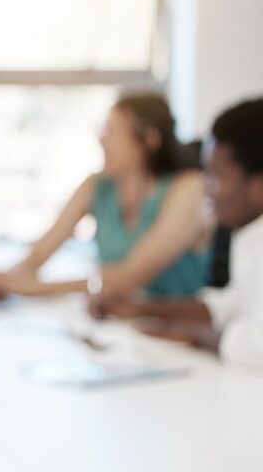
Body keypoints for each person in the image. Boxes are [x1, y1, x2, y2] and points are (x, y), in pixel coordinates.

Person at [0, 92, 209, 302]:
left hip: (177, 334)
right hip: (119, 327)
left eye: (112, 132)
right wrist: (5, 279)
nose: (101, 141)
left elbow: (129, 277)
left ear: (149, 141)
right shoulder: (96, 186)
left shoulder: (188, 189)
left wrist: (30, 288)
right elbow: (39, 254)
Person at [92, 97, 263, 369]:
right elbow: (231, 304)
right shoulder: (250, 234)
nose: (206, 188)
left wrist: (196, 336)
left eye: (216, 178)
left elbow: (258, 345)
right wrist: (145, 310)